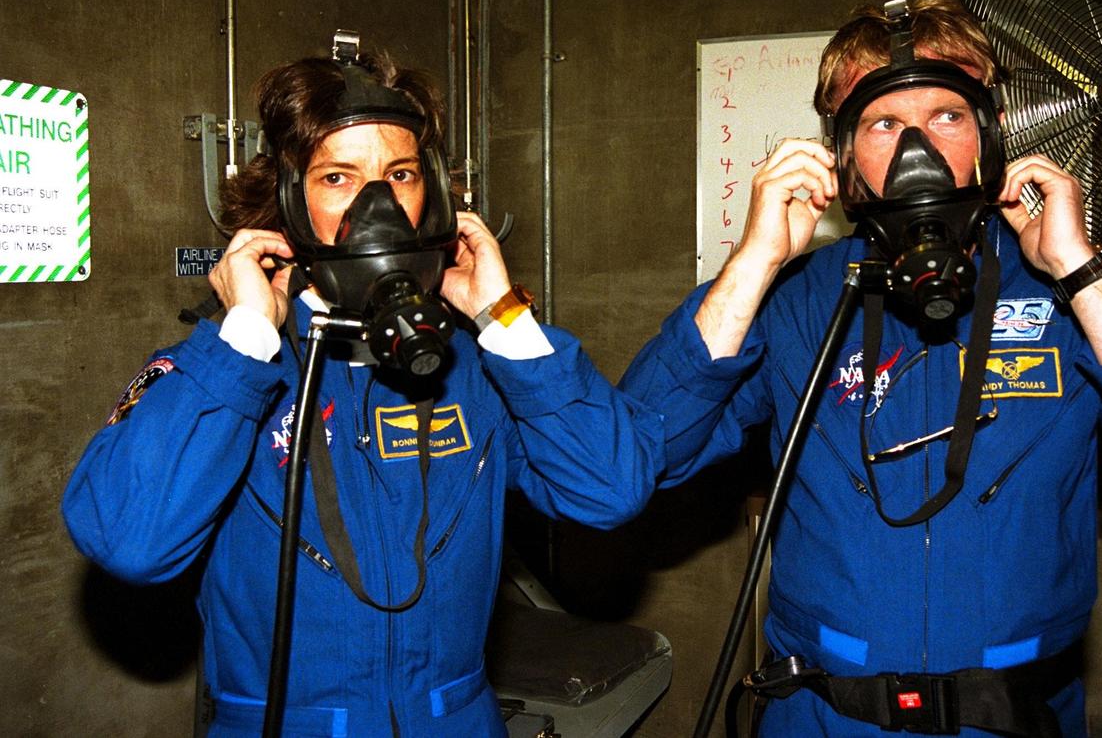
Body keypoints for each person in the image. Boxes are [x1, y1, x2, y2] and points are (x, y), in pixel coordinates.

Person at [620, 0, 1102, 736]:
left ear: (989, 136)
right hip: (826, 714)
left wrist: (1079, 269)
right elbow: (638, 455)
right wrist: (754, 261)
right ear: (840, 155)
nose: (917, 151)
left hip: (1015, 715)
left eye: (946, 116)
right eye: (882, 123)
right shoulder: (798, 301)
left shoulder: (1071, 298)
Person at [63, 38, 663, 736]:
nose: (377, 204)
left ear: (432, 193)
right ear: (289, 196)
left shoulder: (476, 367)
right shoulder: (226, 375)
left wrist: (505, 320)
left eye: (400, 174)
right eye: (338, 178)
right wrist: (247, 336)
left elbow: (612, 488)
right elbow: (131, 542)